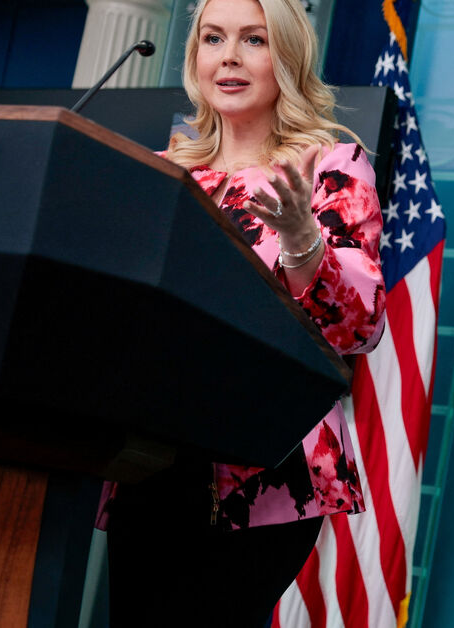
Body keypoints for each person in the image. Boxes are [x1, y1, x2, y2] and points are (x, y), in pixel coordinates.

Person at [101, 0, 386, 623]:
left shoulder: (329, 167)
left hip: (264, 465)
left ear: (287, 57)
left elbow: (360, 329)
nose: (228, 57)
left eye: (253, 39)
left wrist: (302, 239)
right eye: (213, 38)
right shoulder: (163, 172)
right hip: (149, 454)